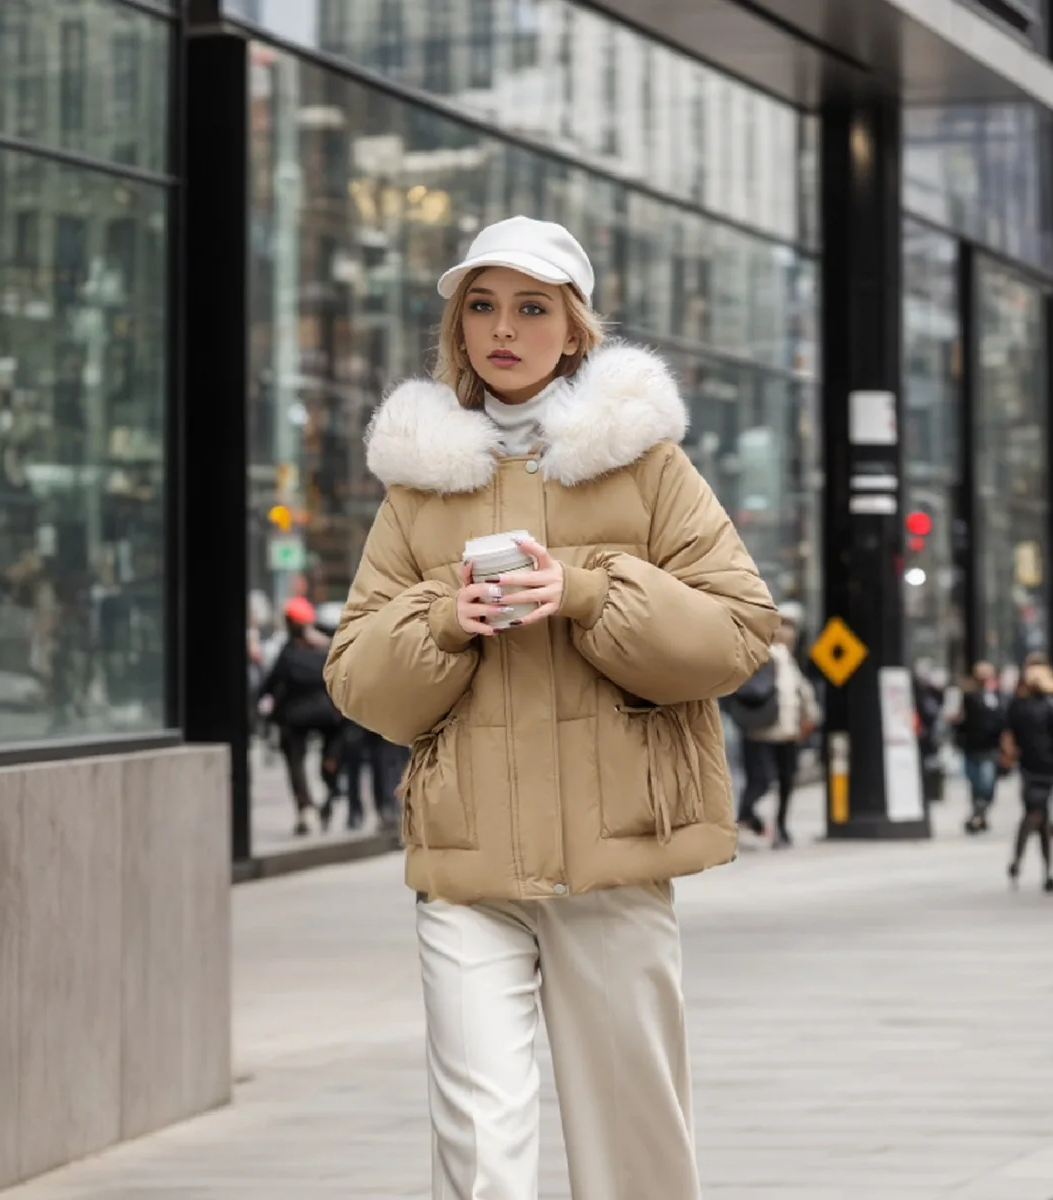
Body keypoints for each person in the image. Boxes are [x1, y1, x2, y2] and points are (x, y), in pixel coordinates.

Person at [324, 215, 779, 1200]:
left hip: (616, 858)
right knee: (481, 1146)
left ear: (573, 330)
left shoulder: (646, 465)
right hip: (468, 862)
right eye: (482, 305)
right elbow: (357, 678)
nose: (504, 327)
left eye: (532, 307)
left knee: (635, 1143)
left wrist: (586, 593)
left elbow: (740, 631)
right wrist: (445, 620)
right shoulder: (418, 485)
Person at [258, 597, 346, 836]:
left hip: (295, 716)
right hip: (328, 714)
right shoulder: (324, 648)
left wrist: (262, 701)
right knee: (330, 757)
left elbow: (270, 683)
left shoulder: (288, 653)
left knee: (295, 761)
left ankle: (306, 807)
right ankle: (329, 791)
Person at [1002, 662, 1053, 894]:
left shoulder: (1019, 705)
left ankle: (1022, 864)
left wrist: (1010, 755)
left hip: (1031, 766)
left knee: (1034, 817)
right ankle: (1044, 870)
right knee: (1039, 819)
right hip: (1050, 767)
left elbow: (1009, 736)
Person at [744, 616, 819, 848]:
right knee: (763, 781)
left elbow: (801, 692)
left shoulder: (790, 661)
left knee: (786, 782)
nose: (789, 637)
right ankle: (749, 816)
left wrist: (810, 717)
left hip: (788, 732)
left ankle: (780, 827)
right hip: (763, 731)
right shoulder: (764, 657)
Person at [956, 662, 1007, 834]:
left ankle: (980, 812)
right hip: (972, 746)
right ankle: (978, 814)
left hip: (992, 747)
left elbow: (1004, 718)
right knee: (975, 783)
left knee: (987, 782)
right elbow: (960, 720)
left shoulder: (1000, 696)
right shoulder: (969, 696)